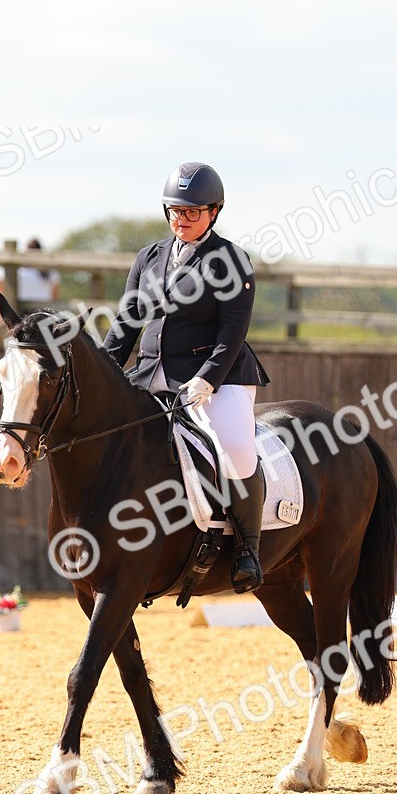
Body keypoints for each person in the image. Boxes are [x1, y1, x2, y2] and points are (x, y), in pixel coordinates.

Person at [103, 161, 270, 593]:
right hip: (151, 373)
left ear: (214, 212)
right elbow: (126, 326)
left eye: (192, 212)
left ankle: (249, 548)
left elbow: (233, 331)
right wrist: (105, 374)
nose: (182, 219)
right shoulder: (149, 258)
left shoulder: (230, 260)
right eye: (175, 210)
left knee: (234, 445)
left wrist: (208, 379)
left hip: (219, 376)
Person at [17, 238, 60, 310]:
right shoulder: (50, 271)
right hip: (44, 310)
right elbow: (55, 295)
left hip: (23, 310)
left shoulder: (20, 271)